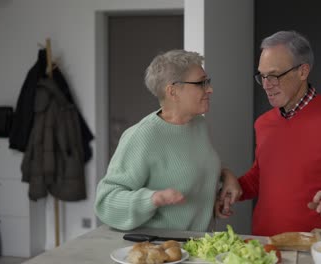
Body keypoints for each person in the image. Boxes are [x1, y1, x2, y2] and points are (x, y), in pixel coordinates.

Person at [216, 31, 321, 236]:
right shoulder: (263, 123)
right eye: (262, 76)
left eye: (274, 75)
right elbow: (261, 176)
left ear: (303, 71)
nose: (266, 85)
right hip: (267, 245)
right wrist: (231, 190)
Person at [95, 49, 234, 231]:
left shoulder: (198, 125)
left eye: (207, 82)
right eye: (201, 83)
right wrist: (154, 199)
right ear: (173, 91)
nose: (210, 89)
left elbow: (192, 164)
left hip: (198, 246)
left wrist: (226, 176)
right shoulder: (142, 136)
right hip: (161, 251)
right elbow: (106, 202)